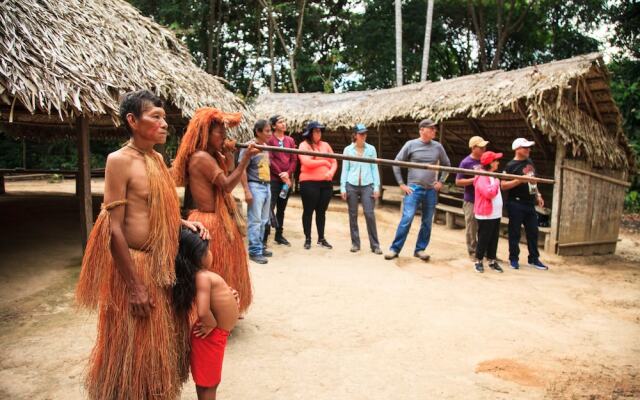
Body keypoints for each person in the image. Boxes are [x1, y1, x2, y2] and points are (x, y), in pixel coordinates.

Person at [76, 90, 210, 400]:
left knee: (157, 352)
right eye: (156, 117)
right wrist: (134, 286)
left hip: (161, 265)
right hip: (135, 267)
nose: (164, 124)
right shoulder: (118, 161)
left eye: (164, 118)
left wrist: (181, 222)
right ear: (133, 121)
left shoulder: (157, 158)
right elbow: (114, 228)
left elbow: (155, 209)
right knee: (136, 350)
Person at [172, 107, 260, 314]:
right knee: (215, 267)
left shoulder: (210, 156)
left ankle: (227, 308)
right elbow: (227, 185)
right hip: (209, 221)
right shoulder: (201, 157)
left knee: (227, 266)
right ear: (205, 133)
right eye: (219, 132)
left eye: (224, 132)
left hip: (220, 219)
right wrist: (245, 159)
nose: (224, 136)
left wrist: (229, 157)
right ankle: (216, 311)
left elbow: (227, 174)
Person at [173, 228, 240, 400]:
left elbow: (215, 301)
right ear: (198, 257)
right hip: (210, 337)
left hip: (213, 337)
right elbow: (203, 310)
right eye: (207, 250)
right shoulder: (203, 276)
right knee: (209, 384)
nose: (211, 254)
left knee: (207, 383)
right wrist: (210, 323)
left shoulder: (200, 276)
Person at [385, 119, 451, 261]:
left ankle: (420, 249)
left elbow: (447, 165)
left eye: (435, 129)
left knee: (427, 221)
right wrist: (401, 184)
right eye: (431, 128)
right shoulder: (411, 145)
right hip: (413, 189)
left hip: (430, 190)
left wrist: (441, 181)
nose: (434, 131)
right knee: (407, 218)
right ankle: (394, 249)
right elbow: (396, 163)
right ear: (422, 130)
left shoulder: (438, 147)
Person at [501, 138, 549, 270]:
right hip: (515, 203)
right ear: (517, 149)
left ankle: (534, 258)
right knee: (514, 232)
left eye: (529, 147)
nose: (529, 150)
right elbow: (503, 185)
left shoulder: (530, 162)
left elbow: (533, 181)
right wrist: (519, 180)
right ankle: (513, 259)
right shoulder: (510, 165)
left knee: (533, 231)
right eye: (525, 148)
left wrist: (538, 195)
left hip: (529, 203)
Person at [340, 123, 382, 254]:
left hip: (367, 184)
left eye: (365, 134)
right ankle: (355, 243)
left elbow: (374, 168)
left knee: (369, 214)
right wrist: (342, 187)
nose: (363, 136)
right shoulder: (348, 150)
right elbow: (345, 169)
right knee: (353, 214)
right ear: (355, 135)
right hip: (351, 184)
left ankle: (375, 245)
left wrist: (377, 186)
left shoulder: (371, 149)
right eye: (361, 134)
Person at [298, 120, 337, 250]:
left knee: (321, 212)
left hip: (325, 183)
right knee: (308, 211)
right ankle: (308, 238)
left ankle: (321, 238)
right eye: (316, 130)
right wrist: (325, 163)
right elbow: (307, 162)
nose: (319, 133)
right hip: (309, 182)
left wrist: (331, 172)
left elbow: (334, 161)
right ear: (310, 133)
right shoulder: (303, 145)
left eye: (320, 130)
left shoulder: (325, 145)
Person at [240, 119, 273, 264]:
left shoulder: (266, 146)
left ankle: (259, 246)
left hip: (267, 186)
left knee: (264, 220)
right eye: (267, 131)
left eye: (270, 130)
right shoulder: (249, 146)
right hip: (255, 186)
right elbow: (242, 169)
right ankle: (254, 251)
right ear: (258, 132)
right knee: (255, 220)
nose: (270, 133)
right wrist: (247, 191)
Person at [263, 115, 297, 247]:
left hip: (286, 180)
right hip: (274, 180)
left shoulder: (290, 140)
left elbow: (294, 159)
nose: (284, 124)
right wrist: (280, 174)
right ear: (273, 126)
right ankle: (264, 238)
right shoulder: (270, 140)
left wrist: (288, 173)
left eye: (284, 121)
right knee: (269, 207)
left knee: (282, 209)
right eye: (280, 122)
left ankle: (279, 235)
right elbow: (269, 159)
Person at [455, 136, 488, 259]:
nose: (484, 148)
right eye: (481, 147)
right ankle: (472, 251)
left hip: (484, 199)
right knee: (472, 226)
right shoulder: (466, 162)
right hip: (471, 199)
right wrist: (474, 179)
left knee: (484, 227)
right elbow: (458, 181)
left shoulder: (485, 161)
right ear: (473, 148)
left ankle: (483, 250)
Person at [473, 151, 505, 273]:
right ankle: (478, 260)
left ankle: (492, 259)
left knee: (493, 238)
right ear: (490, 163)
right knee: (484, 238)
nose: (498, 163)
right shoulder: (482, 176)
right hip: (486, 214)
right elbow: (489, 193)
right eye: (496, 161)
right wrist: (497, 183)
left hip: (495, 213)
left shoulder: (492, 175)